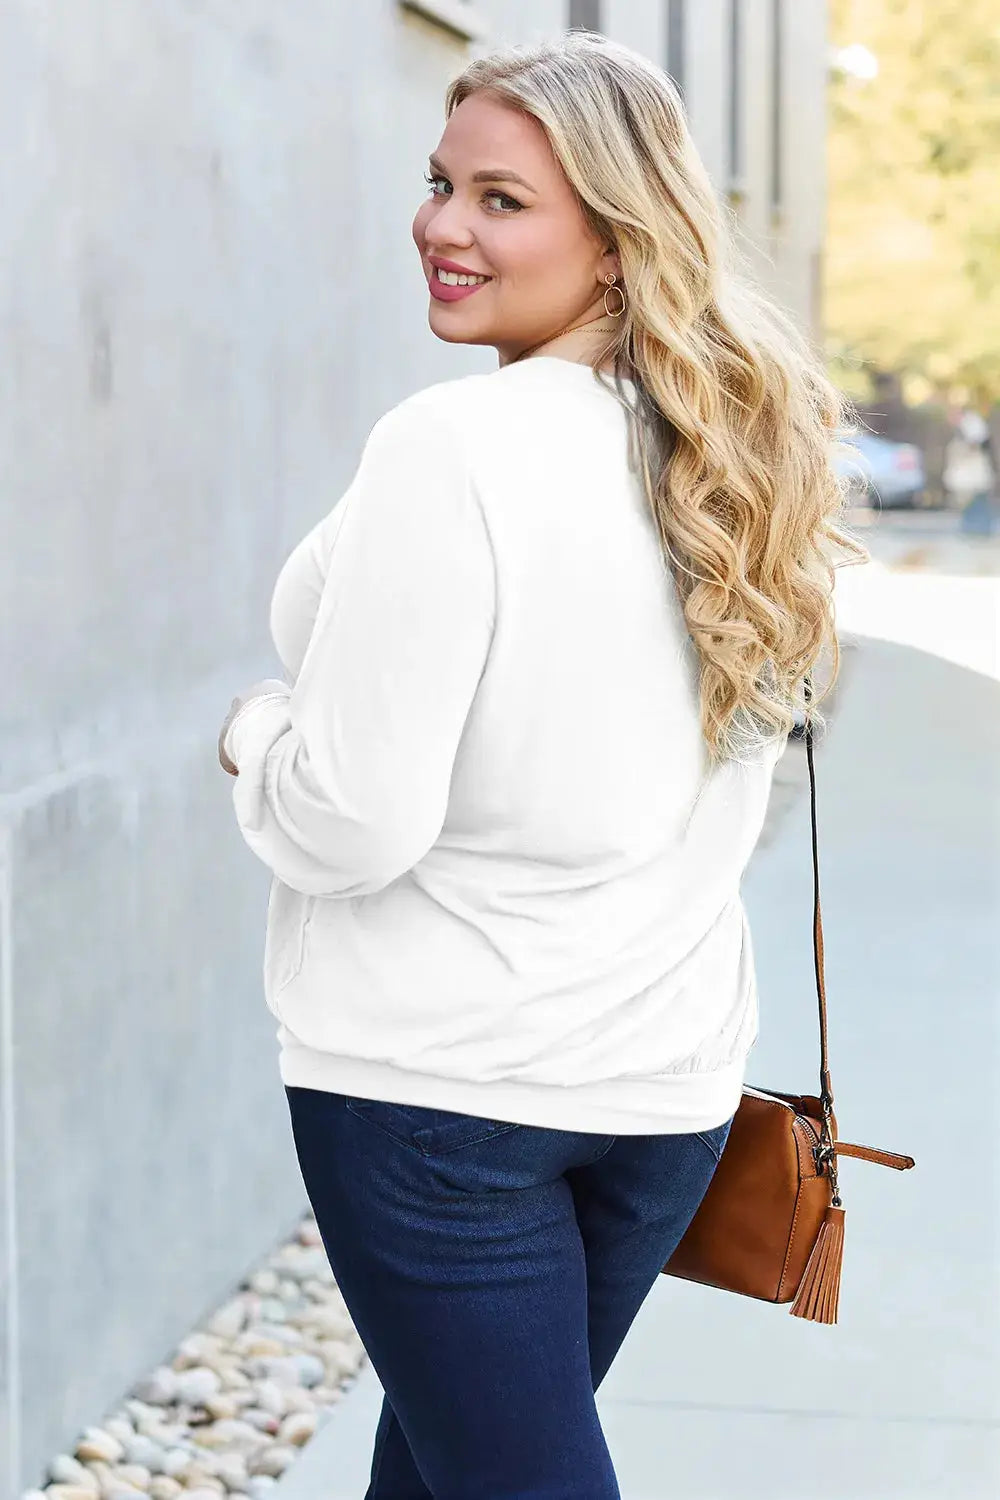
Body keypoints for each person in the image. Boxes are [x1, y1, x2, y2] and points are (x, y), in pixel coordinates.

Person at [217, 31, 864, 1500]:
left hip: (445, 1101)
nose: (441, 226)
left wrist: (250, 734)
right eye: (440, 182)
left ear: (621, 240)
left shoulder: (452, 448)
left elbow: (351, 823)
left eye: (502, 200)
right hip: (661, 1099)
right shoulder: (741, 452)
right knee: (447, 1473)